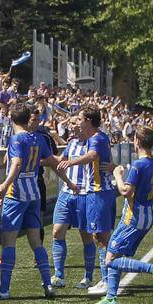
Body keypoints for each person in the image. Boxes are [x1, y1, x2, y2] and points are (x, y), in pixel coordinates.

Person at [0, 104, 76, 300]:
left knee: (8, 242)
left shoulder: (17, 139)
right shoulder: (38, 138)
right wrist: (69, 182)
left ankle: (4, 290)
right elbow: (52, 162)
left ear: (11, 119)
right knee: (36, 242)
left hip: (16, 195)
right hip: (34, 194)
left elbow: (16, 164)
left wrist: (5, 184)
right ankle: (48, 286)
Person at [94, 126, 153, 304]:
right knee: (115, 252)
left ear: (137, 142)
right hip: (148, 216)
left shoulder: (137, 165)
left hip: (133, 217)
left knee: (110, 259)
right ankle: (111, 297)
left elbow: (126, 191)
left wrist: (117, 175)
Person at [58, 105, 116, 295]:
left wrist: (71, 161)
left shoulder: (97, 138)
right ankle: (107, 278)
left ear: (89, 121)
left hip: (98, 193)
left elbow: (93, 156)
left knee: (101, 238)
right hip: (100, 193)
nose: (78, 123)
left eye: (81, 119)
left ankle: (108, 280)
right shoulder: (99, 138)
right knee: (99, 237)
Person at [50, 116, 96, 289]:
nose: (73, 125)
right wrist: (45, 157)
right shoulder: (72, 143)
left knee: (86, 236)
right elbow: (61, 160)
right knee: (57, 231)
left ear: (85, 124)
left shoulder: (93, 143)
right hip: (66, 193)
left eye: (76, 122)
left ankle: (88, 277)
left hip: (85, 194)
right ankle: (59, 276)